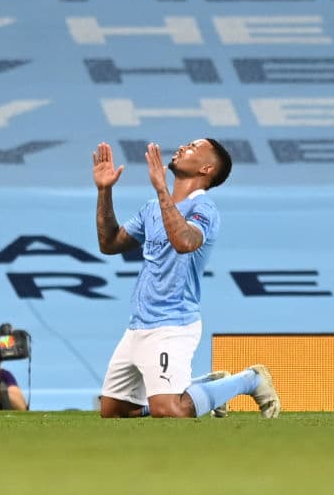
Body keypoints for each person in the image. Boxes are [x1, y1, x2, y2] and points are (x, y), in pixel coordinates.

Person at [93, 138, 281, 419]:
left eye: (193, 147)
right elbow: (109, 244)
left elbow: (184, 241)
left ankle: (250, 379)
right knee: (114, 411)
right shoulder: (151, 208)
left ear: (206, 169)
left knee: (168, 411)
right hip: (138, 326)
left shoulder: (204, 209)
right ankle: (206, 388)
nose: (182, 147)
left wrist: (160, 188)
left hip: (174, 324)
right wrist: (105, 191)